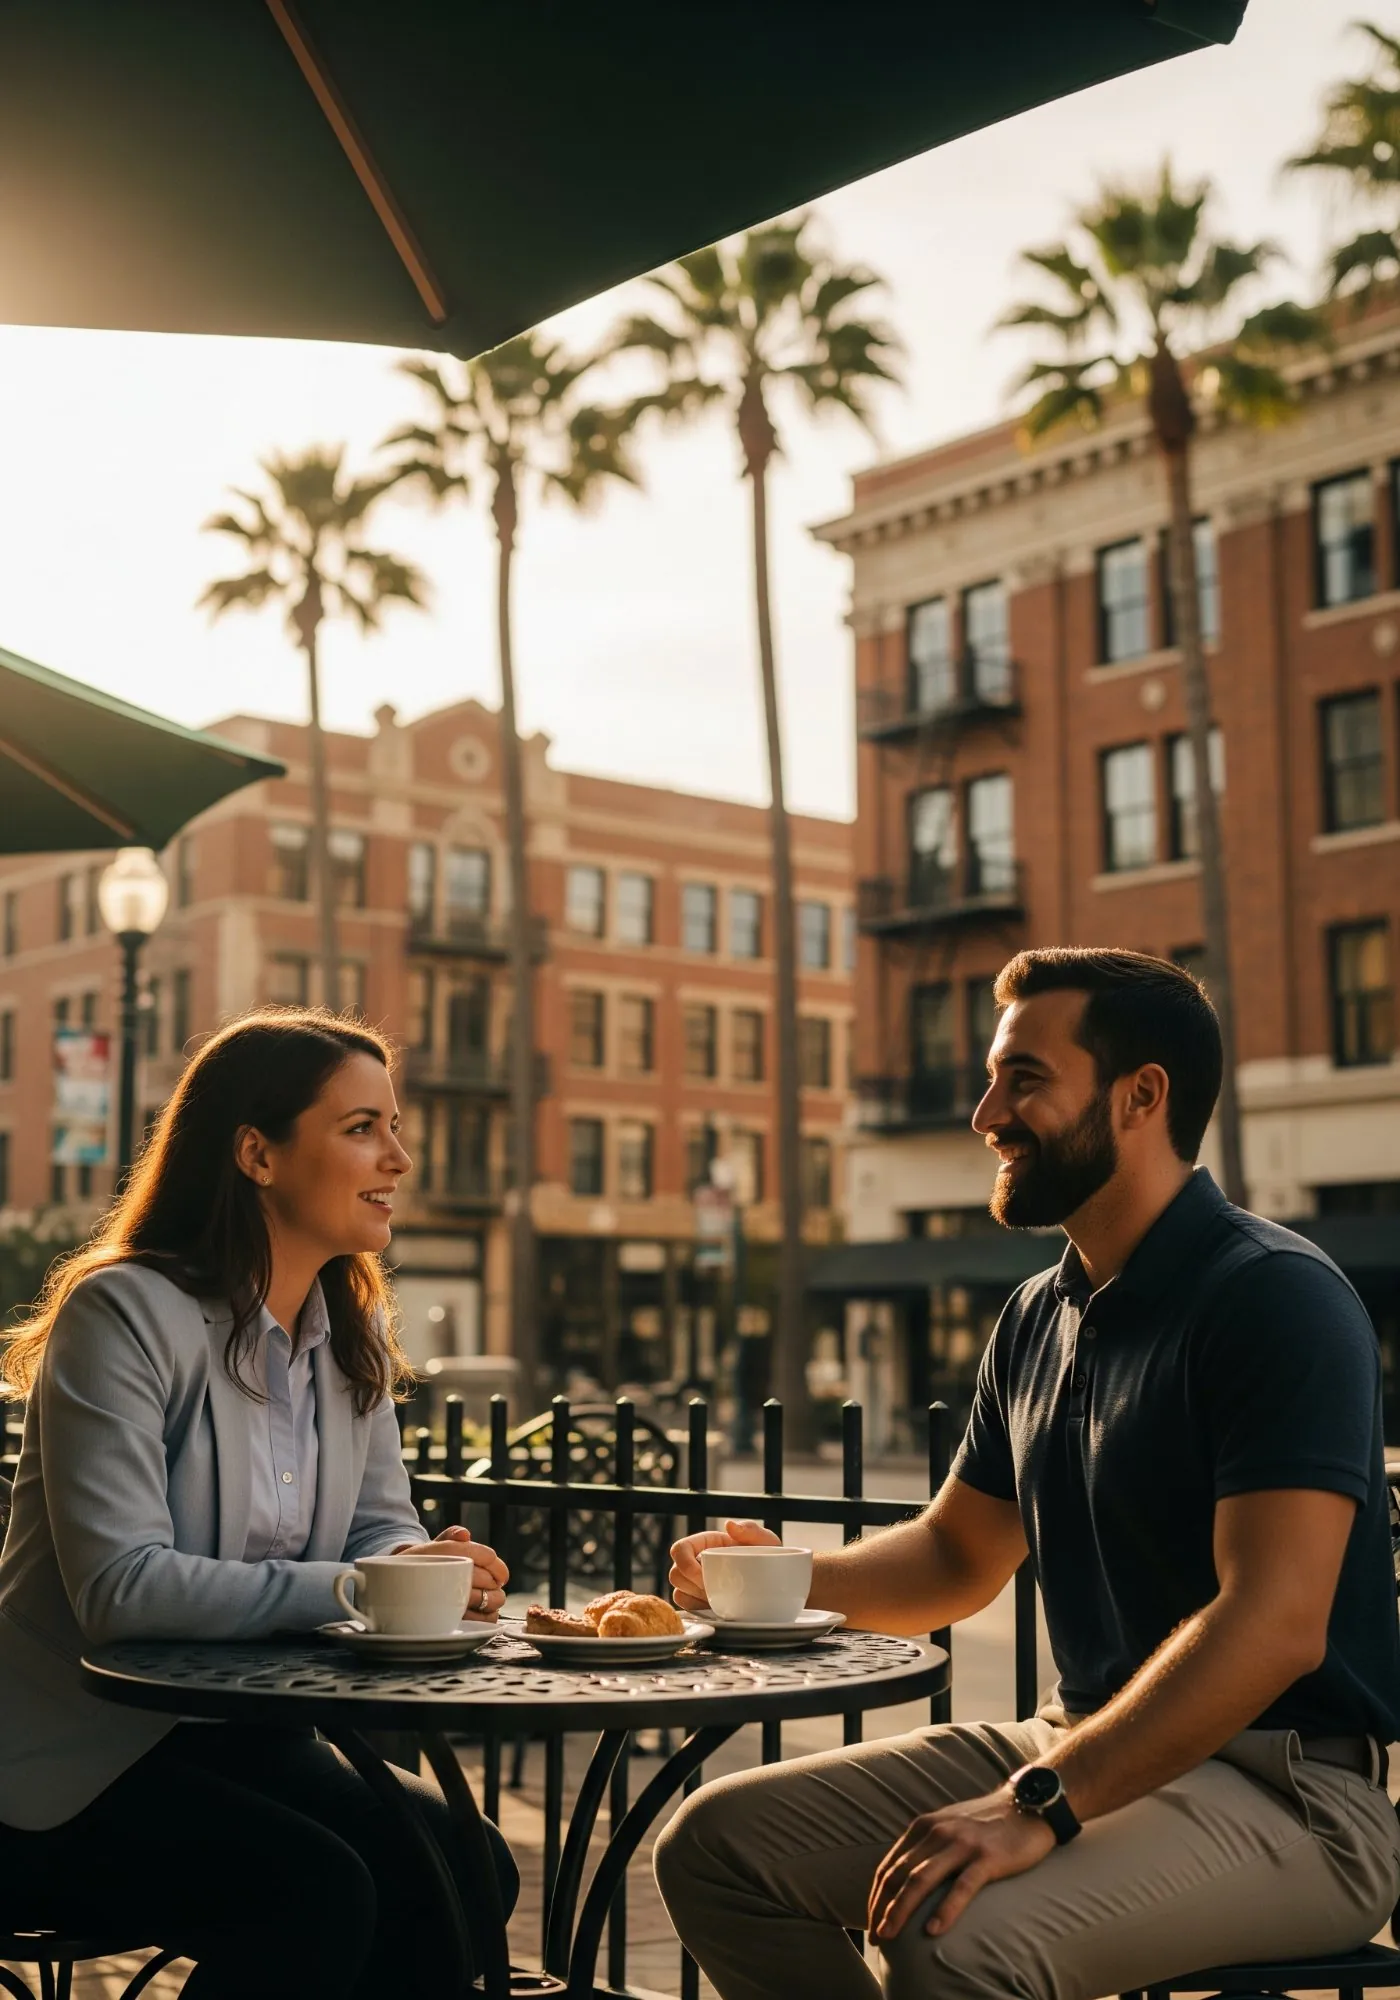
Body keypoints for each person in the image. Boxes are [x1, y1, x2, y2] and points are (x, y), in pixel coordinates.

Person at [660, 949, 1400, 2000]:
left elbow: (1274, 1620)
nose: (984, 1113)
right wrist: (783, 1575)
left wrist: (1036, 1801)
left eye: (1024, 1078)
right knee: (717, 1846)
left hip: (1289, 1794)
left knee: (952, 1936)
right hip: (1072, 1742)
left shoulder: (1274, 1295)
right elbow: (961, 1553)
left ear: (1141, 1094)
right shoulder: (1035, 1312)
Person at [0, 1008, 517, 2000]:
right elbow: (122, 1589)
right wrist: (366, 1584)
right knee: (315, 1893)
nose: (398, 1156)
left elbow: (378, 1530)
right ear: (256, 1152)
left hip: (243, 1736)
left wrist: (422, 1567)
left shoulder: (347, 1327)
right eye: (362, 1125)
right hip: (60, 1765)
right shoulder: (123, 1311)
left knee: (466, 1862)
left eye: (393, 1124)